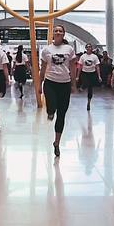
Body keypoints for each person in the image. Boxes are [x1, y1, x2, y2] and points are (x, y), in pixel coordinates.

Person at [39, 25, 76, 157]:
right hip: (50, 82)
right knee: (52, 106)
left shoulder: (69, 49)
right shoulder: (46, 50)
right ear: (52, 34)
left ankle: (57, 142)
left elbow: (73, 67)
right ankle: (50, 111)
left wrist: (73, 84)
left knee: (61, 115)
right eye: (56, 31)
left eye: (61, 31)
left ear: (64, 34)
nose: (58, 32)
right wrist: (39, 84)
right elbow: (42, 68)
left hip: (64, 84)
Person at [76, 43, 102, 111]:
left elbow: (97, 66)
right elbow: (80, 66)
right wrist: (77, 76)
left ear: (91, 48)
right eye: (87, 47)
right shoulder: (83, 56)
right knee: (85, 83)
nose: (88, 48)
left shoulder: (94, 56)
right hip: (84, 73)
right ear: (86, 48)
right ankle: (82, 87)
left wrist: (99, 76)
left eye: (90, 47)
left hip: (92, 73)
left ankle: (88, 103)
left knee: (90, 89)